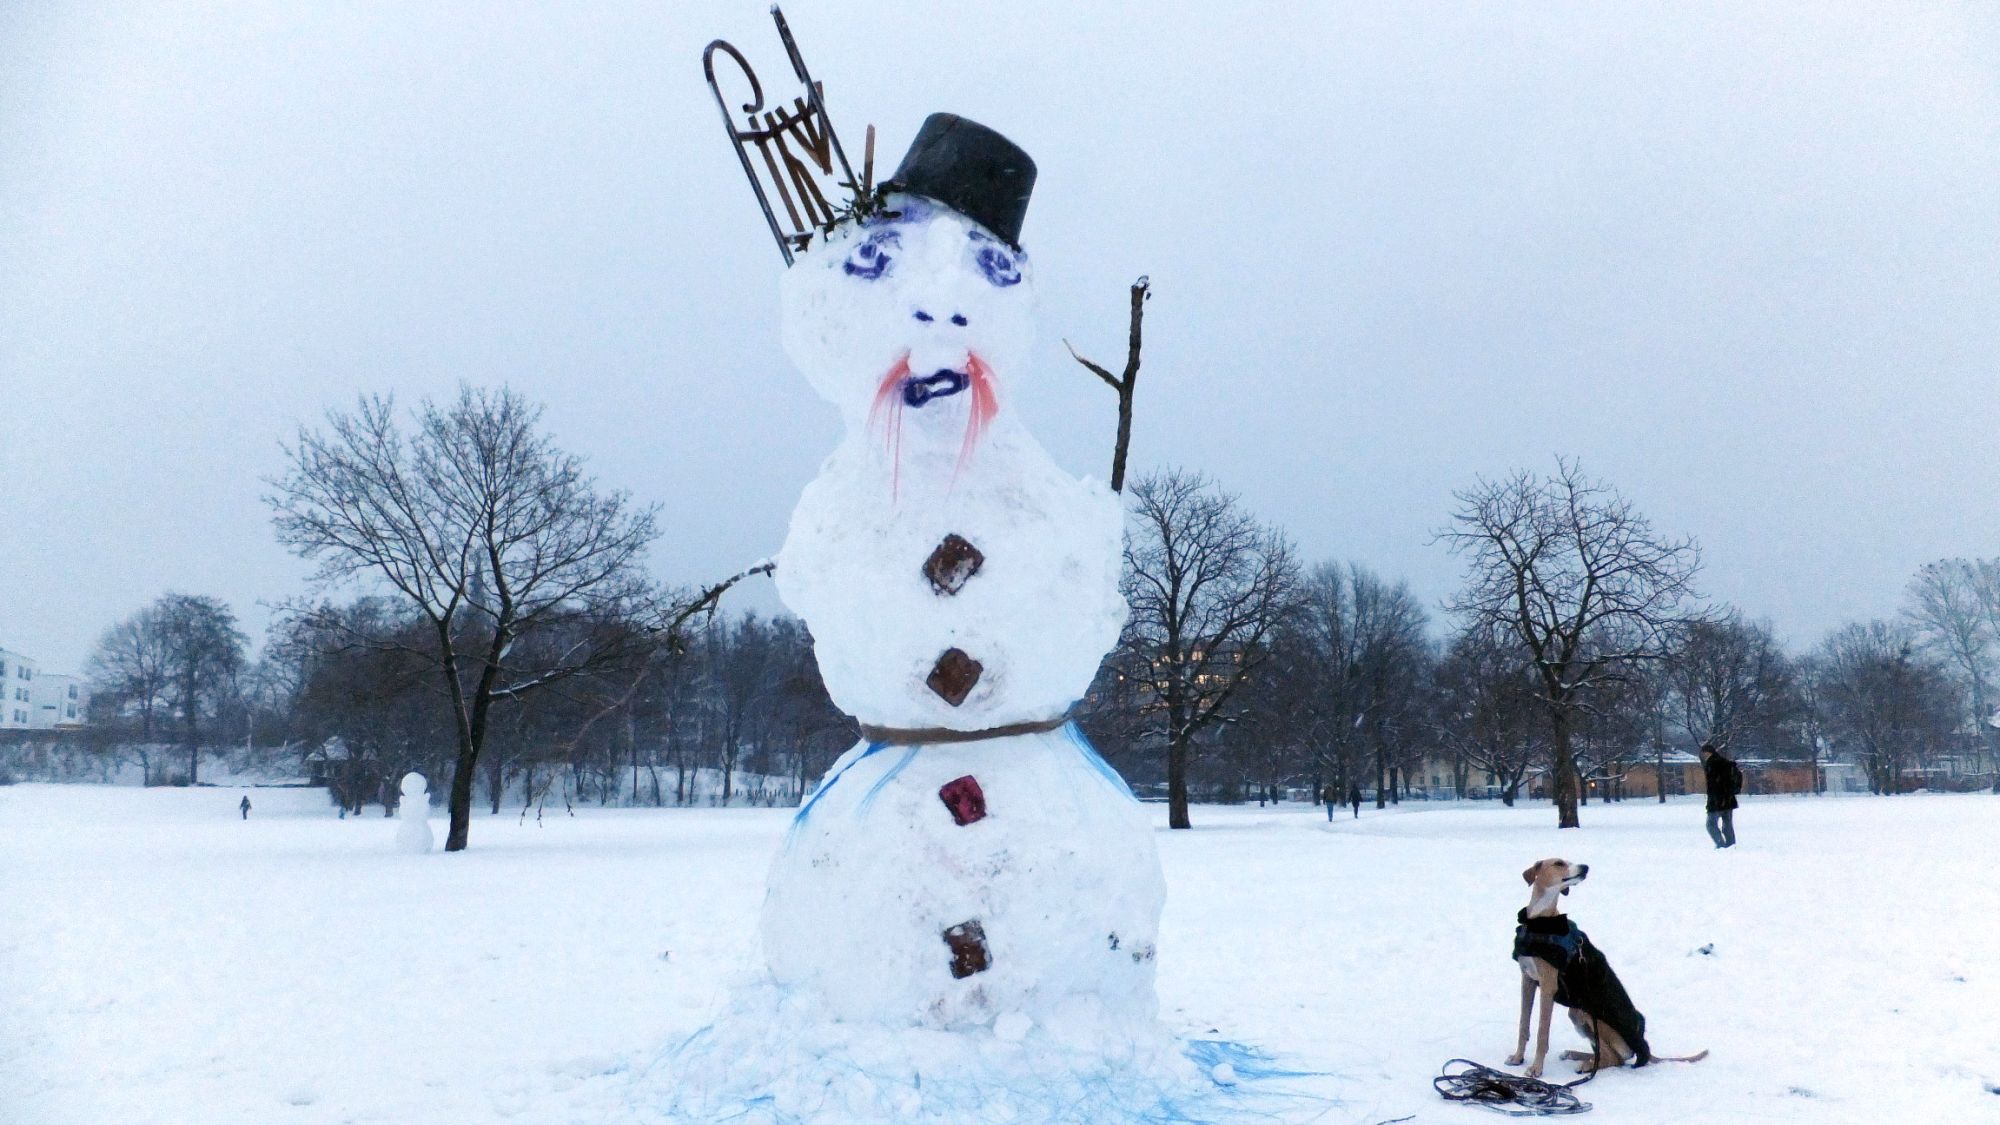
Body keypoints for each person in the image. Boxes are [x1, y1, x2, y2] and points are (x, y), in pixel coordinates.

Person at [1699, 743, 1741, 848]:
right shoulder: (1726, 763)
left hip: (1717, 800)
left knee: (1710, 824)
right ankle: (1731, 845)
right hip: (1729, 799)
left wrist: (1712, 800)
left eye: (1703, 754)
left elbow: (1713, 785)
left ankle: (1721, 845)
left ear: (1707, 753)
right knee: (1727, 824)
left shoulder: (1712, 764)